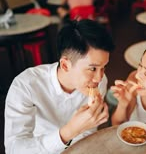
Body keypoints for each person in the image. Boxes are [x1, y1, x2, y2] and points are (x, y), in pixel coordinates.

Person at [4, 19, 115, 154]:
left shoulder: (100, 82)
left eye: (104, 67)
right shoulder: (25, 86)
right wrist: (68, 132)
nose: (99, 77)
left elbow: (88, 133)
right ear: (65, 65)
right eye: (93, 69)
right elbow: (13, 149)